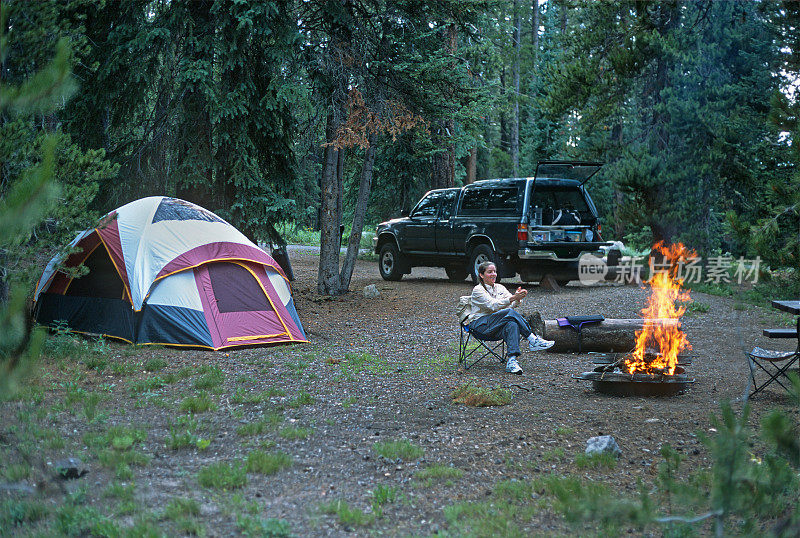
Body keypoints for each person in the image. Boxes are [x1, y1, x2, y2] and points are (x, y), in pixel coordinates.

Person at [464, 261, 554, 374]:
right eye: (489, 272)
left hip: (497, 325)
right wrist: (512, 298)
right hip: (480, 326)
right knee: (509, 313)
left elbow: (510, 305)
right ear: (481, 275)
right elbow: (493, 306)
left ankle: (512, 361)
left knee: (512, 324)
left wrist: (517, 298)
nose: (493, 274)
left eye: (495, 271)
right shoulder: (478, 290)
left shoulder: (500, 287)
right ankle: (532, 339)